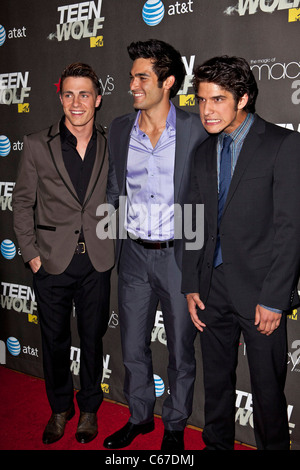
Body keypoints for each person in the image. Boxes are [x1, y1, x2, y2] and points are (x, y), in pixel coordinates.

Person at [182, 55, 300, 450]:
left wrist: (273, 298)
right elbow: (193, 223)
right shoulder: (202, 152)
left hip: (260, 293)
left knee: (268, 395)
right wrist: (192, 284)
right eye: (201, 100)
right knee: (216, 385)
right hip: (211, 291)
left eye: (217, 100)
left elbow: (290, 229)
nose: (207, 110)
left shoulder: (282, 145)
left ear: (243, 97)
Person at [103, 39, 207, 451]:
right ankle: (140, 417)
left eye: (141, 77)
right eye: (131, 76)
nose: (132, 84)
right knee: (131, 347)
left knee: (181, 349)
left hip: (178, 258)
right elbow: (115, 189)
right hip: (132, 257)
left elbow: (209, 195)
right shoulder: (120, 128)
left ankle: (176, 424)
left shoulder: (197, 128)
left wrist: (199, 256)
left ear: (167, 82)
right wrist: (110, 240)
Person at [12, 62, 115, 445]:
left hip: (97, 260)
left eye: (84, 94)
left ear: (98, 99)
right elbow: (21, 203)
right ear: (60, 97)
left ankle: (89, 408)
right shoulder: (38, 143)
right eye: (69, 94)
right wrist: (30, 253)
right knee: (53, 339)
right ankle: (60, 408)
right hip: (51, 261)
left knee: (92, 338)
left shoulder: (110, 142)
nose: (76, 102)